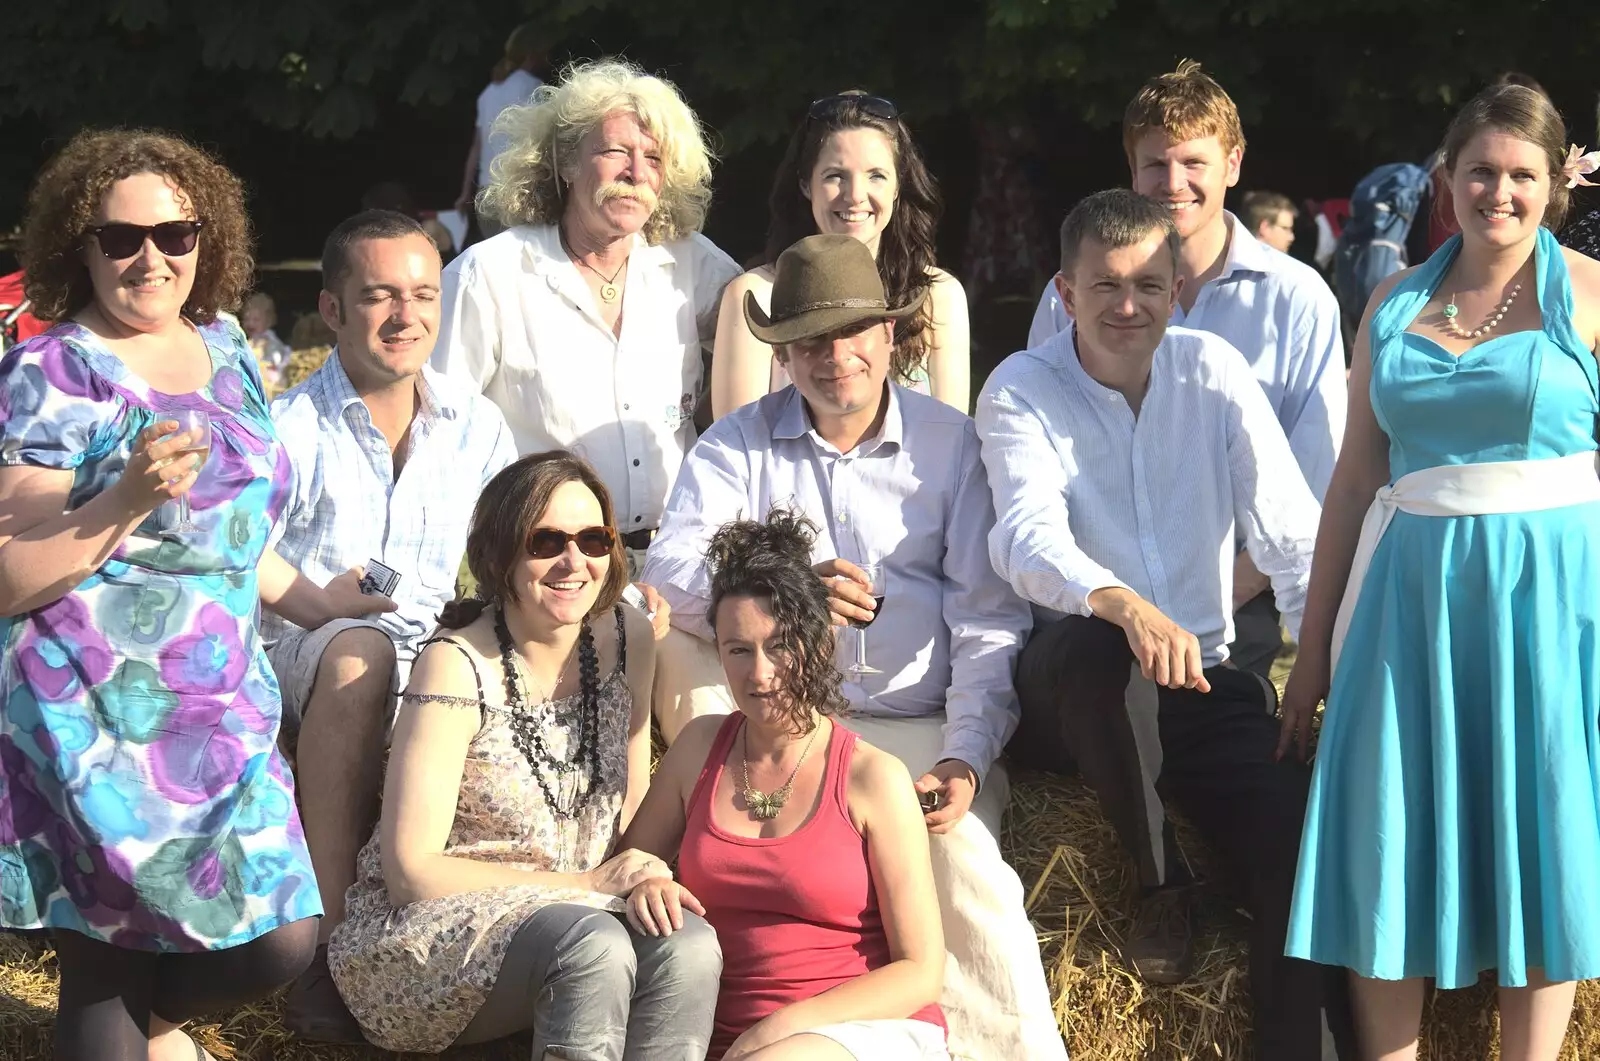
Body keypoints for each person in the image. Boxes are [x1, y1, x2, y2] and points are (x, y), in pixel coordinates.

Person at [0, 129, 391, 1061]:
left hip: (220, 712)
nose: (150, 257)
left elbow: (229, 540)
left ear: (203, 240)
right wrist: (127, 498)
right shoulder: (51, 372)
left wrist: (318, 599)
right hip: (89, 712)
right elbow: (12, 572)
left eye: (174, 235)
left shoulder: (228, 349)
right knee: (108, 975)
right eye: (120, 238)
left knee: (282, 939)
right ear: (79, 247)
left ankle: (127, 1038)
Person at [643, 234, 1066, 1061]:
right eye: (809, 341)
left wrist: (967, 756)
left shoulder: (952, 444)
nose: (833, 356)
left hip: (911, 722)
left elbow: (987, 621)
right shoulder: (735, 443)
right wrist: (788, 585)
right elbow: (668, 569)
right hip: (773, 723)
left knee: (973, 875)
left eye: (851, 334)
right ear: (784, 355)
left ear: (890, 337)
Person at [1282, 83, 1600, 1061]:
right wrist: (1309, 652)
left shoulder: (1590, 292)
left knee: (1542, 828)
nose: (1497, 192)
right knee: (1387, 834)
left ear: (1552, 185)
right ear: (1444, 176)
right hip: (1407, 603)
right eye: (1479, 171)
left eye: (1519, 175)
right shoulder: (1392, 299)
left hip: (1551, 602)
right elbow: (1350, 484)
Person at [979, 189, 1329, 1058]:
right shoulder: (1022, 385)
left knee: (1303, 845)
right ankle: (1160, 884)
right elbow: (1024, 533)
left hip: (1203, 679)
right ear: (1065, 292)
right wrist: (1122, 601)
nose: (1128, 304)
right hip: (1075, 689)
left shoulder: (1212, 370)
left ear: (1178, 289)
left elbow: (1293, 533)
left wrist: (1320, 672)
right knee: (1105, 648)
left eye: (1147, 283)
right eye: (1105, 285)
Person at [327, 451, 721, 1058]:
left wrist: (641, 871)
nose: (574, 562)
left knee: (688, 943)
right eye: (545, 542)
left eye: (593, 539)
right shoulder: (456, 666)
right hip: (431, 937)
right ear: (501, 553)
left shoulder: (630, 636)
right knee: (595, 946)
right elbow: (412, 873)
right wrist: (586, 886)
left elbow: (632, 797)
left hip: (583, 911)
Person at [264, 209, 519, 1041]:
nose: (406, 316)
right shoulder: (288, 429)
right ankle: (327, 952)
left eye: (422, 295)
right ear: (332, 310)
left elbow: (506, 561)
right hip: (305, 655)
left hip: (432, 661)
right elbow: (237, 572)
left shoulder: (477, 426)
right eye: (380, 296)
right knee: (359, 651)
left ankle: (512, 944)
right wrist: (319, 601)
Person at [1026, 60, 1346, 681]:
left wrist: (1219, 593)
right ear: (1132, 170)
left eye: (1194, 162)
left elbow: (1316, 476)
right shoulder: (1070, 296)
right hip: (1103, 605)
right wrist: (1123, 605)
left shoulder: (1298, 299)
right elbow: (1046, 440)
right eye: (1155, 163)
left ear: (1233, 164)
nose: (1173, 183)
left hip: (1241, 600)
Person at [622, 509, 947, 1060]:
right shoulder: (699, 748)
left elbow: (920, 971)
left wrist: (780, 1030)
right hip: (722, 1038)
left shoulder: (872, 777)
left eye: (780, 646)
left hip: (856, 1030)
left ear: (820, 645)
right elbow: (627, 864)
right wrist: (644, 881)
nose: (760, 673)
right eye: (738, 650)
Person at [434, 57, 741, 575]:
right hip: (544, 570)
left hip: (676, 569)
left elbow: (771, 340)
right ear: (566, 163)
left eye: (655, 157)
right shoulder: (489, 274)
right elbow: (437, 433)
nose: (637, 173)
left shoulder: (691, 262)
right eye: (615, 150)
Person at [711, 91, 970, 418]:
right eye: (836, 176)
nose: (856, 196)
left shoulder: (937, 296)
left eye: (876, 175)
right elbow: (732, 451)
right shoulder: (757, 298)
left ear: (898, 185)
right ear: (806, 184)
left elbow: (953, 444)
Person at [455, 21, 546, 243]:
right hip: (519, 191)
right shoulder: (533, 87)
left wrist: (465, 193)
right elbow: (543, 141)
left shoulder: (488, 93)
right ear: (535, 53)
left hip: (486, 194)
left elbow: (477, 147)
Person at [241, 290, 291, 391]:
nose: (250, 323)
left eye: (256, 320)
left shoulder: (267, 340)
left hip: (271, 379)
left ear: (268, 321)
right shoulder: (250, 340)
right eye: (246, 319)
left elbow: (276, 358)